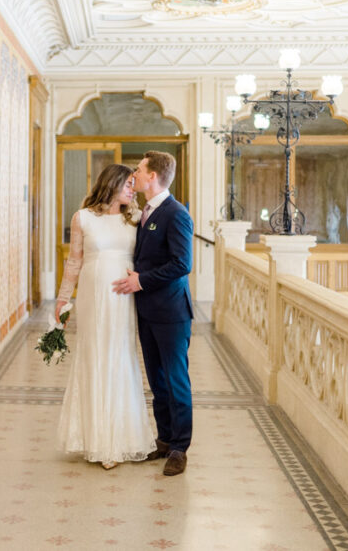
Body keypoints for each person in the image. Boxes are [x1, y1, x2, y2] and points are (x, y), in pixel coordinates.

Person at [55, 164, 156, 470]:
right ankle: (95, 439)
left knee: (120, 356)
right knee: (94, 357)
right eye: (126, 184)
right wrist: (62, 299)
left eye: (132, 183)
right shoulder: (83, 217)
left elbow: (149, 257)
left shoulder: (137, 219)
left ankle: (121, 439)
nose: (131, 189)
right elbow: (74, 261)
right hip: (91, 295)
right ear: (110, 184)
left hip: (123, 298)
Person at [112, 151, 194, 476]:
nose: (136, 173)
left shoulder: (176, 214)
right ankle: (163, 439)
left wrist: (141, 281)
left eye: (140, 169)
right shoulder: (146, 211)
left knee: (176, 381)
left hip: (172, 312)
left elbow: (181, 264)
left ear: (154, 176)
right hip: (147, 310)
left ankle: (180, 448)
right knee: (157, 381)